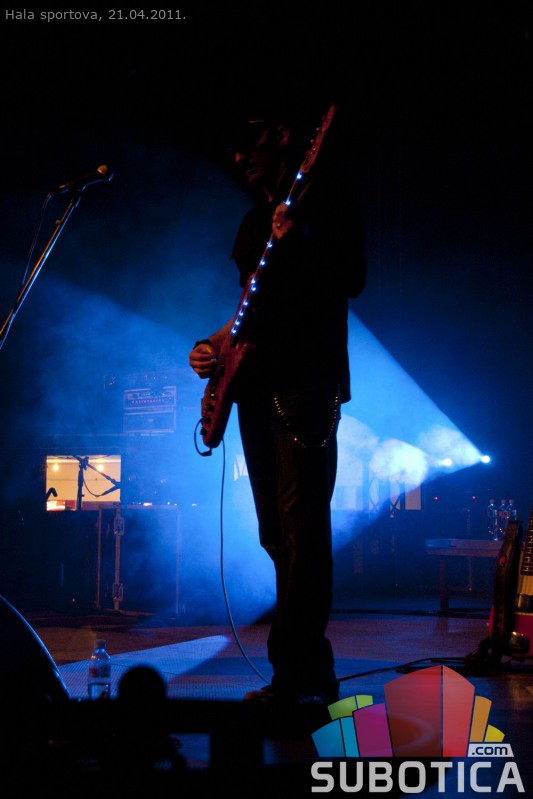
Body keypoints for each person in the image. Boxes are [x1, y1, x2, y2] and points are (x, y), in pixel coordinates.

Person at [189, 105, 367, 708]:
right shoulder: (252, 223)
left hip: (305, 382)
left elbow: (354, 277)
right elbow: (249, 305)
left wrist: (305, 237)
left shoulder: (326, 200)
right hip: (254, 386)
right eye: (233, 151)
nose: (240, 157)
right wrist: (215, 346)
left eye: (250, 142)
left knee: (302, 526)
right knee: (275, 532)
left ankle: (295, 675)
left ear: (286, 135)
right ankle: (310, 670)